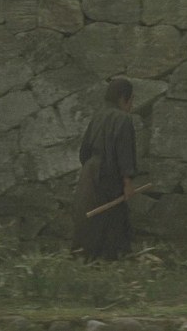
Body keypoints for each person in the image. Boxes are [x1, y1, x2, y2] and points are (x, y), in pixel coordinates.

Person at [71, 78, 137, 260]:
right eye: (131, 100)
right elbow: (124, 153)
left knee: (90, 219)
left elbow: (84, 152)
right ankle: (108, 258)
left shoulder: (97, 117)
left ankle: (84, 257)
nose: (131, 105)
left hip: (90, 172)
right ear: (123, 98)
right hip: (109, 175)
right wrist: (127, 183)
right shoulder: (124, 119)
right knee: (111, 219)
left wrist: (90, 171)